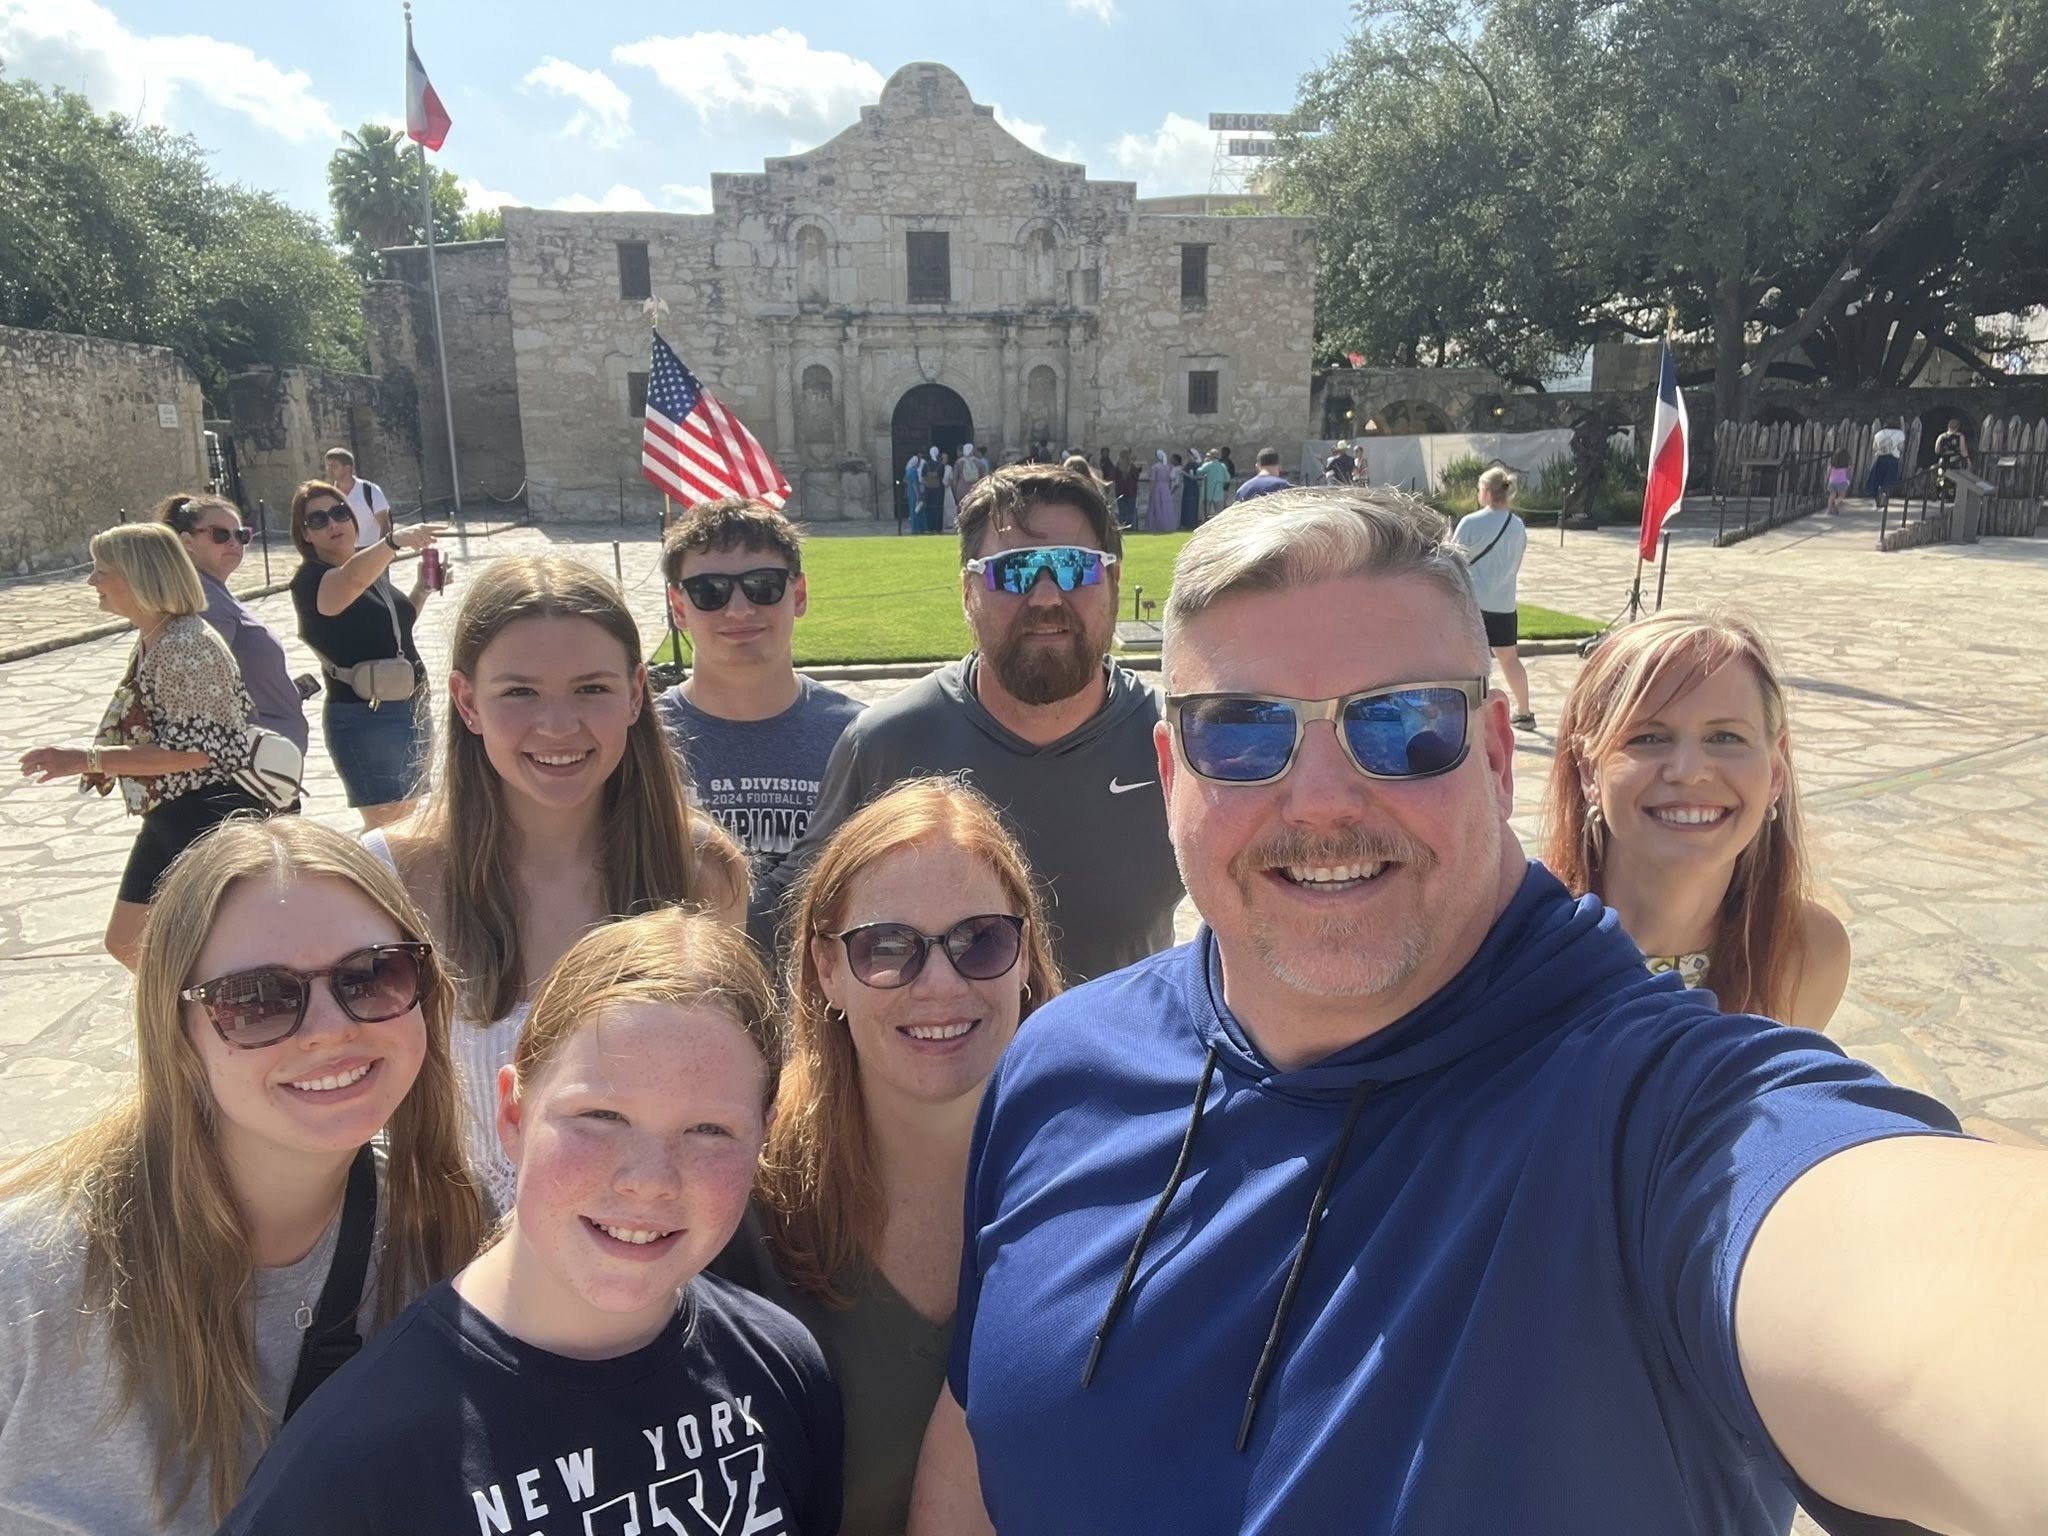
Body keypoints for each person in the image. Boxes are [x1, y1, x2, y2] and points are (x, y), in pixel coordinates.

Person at [911, 489, 2044, 1536]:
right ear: (1171, 773)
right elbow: (974, 1440)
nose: (1318, 801)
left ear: (1497, 756)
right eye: (1241, 731)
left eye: (1401, 725)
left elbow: (1920, 1290)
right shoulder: (1059, 1061)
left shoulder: (1647, 1121)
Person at [219, 910, 843, 1536]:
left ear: (765, 1138)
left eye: (709, 1130)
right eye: (600, 1116)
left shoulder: (780, 1368)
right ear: (514, 1113)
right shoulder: (349, 1473)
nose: (649, 1178)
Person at [0, 817, 483, 1534]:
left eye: (372, 973)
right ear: (180, 1035)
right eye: (256, 998)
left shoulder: (456, 1239)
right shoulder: (33, 1283)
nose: (327, 1028)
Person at [713, 778, 1060, 1536]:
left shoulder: (1100, 1176)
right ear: (827, 968)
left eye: (982, 940)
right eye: (887, 948)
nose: (940, 984)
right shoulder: (740, 1195)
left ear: (1025, 953)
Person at [374, 555, 747, 1211]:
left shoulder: (700, 874)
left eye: (590, 689)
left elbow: (723, 1095)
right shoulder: (385, 883)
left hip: (641, 1253)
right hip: (442, 1276)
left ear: (636, 694)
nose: (556, 724)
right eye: (519, 691)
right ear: (467, 701)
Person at [756, 464, 1182, 985]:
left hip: (1124, 1062)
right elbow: (800, 928)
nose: (1047, 597)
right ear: (967, 592)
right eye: (1013, 571)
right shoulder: (889, 744)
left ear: (1113, 581)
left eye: (1075, 568)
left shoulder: (1174, 742)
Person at [1545, 610, 1850, 1029]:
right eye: (1648, 738)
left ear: (1775, 770)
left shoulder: (1808, 954)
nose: (1688, 771)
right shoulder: (1515, 947)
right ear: (1587, 770)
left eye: (1725, 738)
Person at [17, 524, 267, 968]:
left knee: (200, 949)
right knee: (131, 940)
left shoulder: (185, 645)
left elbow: (195, 752)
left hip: (205, 814)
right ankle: (188, 1025)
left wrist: (85, 760)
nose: (92, 580)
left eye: (102, 570)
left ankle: (204, 1025)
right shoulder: (158, 637)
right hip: (172, 813)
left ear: (139, 577)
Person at [656, 500, 863, 940]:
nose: (738, 609)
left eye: (762, 586)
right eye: (709, 591)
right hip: (684, 995)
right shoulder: (639, 740)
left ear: (799, 594)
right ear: (678, 606)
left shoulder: (859, 736)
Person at [288, 479, 440, 828]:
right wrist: (392, 542)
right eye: (318, 520)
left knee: (409, 822)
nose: (333, 524)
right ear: (306, 534)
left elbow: (393, 629)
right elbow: (346, 587)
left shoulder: (368, 570)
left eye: (340, 512)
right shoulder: (312, 579)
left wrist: (421, 590)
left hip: (408, 707)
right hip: (368, 716)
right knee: (388, 828)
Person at [157, 493, 310, 758]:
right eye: (220, 535)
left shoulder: (215, 592)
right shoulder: (205, 601)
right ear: (187, 542)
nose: (233, 543)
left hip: (268, 755)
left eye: (240, 535)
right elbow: (202, 688)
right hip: (252, 760)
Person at [1449, 466, 1536, 731]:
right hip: (1504, 603)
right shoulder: (1517, 524)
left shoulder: (1471, 523)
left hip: (1473, 602)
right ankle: (1524, 711)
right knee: (1510, 659)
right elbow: (1517, 562)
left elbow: (1453, 559)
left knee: (1469, 659)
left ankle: (1472, 715)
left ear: (1486, 492)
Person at [323, 448, 392, 551]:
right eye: (327, 466)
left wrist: (382, 551)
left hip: (372, 549)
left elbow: (385, 525)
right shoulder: (330, 495)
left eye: (333, 466)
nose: (329, 470)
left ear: (347, 468)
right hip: (345, 553)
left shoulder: (370, 490)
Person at [1866, 418, 1905, 506]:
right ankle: (1884, 495)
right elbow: (1900, 447)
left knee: (1877, 479)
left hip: (1880, 458)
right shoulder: (1900, 434)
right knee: (1888, 480)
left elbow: (1874, 448)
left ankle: (1877, 496)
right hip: (1892, 459)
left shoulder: (1879, 434)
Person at [1144, 450, 1178, 531]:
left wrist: (1150, 490)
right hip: (1165, 488)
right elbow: (1169, 479)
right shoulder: (1168, 467)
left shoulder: (1155, 467)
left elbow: (1153, 480)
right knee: (1165, 507)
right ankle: (1167, 524)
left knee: (1157, 506)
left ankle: (1157, 524)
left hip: (1157, 487)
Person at [1196, 447, 1230, 520]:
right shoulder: (1222, 466)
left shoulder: (1208, 465)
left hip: (1208, 492)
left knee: (1205, 514)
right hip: (1219, 493)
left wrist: (1204, 463)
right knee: (1219, 514)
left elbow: (1199, 471)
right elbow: (1227, 478)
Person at [1825, 446, 1852, 515]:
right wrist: (1848, 480)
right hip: (1842, 482)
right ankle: (1836, 503)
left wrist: (1827, 479)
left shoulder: (1832, 464)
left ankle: (1829, 510)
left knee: (1832, 495)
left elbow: (1828, 472)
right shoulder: (1847, 465)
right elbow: (1848, 474)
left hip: (1832, 482)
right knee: (1842, 495)